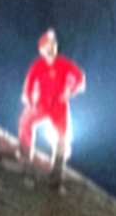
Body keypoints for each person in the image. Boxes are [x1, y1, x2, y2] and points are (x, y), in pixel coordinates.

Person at [17, 27, 84, 167]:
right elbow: (29, 85)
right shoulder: (37, 65)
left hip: (59, 105)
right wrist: (30, 101)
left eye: (53, 45)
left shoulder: (64, 63)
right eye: (48, 45)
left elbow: (79, 77)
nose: (51, 48)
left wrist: (70, 91)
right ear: (42, 49)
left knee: (62, 137)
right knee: (25, 120)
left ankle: (58, 170)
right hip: (41, 103)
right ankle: (24, 154)